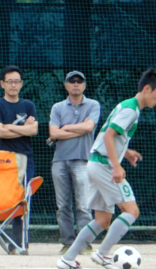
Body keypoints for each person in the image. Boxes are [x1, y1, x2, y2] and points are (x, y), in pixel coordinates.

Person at [56, 68, 156, 269]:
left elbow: (110, 135)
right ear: (146, 89)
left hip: (96, 163)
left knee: (102, 220)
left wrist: (125, 153)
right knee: (132, 211)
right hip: (103, 166)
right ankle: (104, 253)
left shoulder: (127, 105)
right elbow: (108, 136)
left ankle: (68, 259)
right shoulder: (131, 109)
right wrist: (117, 165)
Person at [0, 65, 38, 255]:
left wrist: (9, 127)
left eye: (16, 81)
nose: (13, 85)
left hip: (25, 160)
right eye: (9, 82)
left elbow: (33, 130)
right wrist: (21, 128)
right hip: (1, 161)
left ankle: (18, 245)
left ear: (21, 84)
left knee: (21, 200)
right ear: (2, 84)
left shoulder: (28, 105)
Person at [48, 71, 100, 255]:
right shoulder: (58, 107)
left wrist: (66, 127)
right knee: (62, 206)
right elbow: (54, 134)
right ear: (66, 85)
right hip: (60, 161)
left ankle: (84, 244)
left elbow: (89, 127)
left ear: (84, 85)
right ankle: (68, 243)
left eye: (79, 81)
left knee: (83, 205)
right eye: (72, 81)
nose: (76, 84)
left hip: (83, 160)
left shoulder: (93, 105)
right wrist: (78, 129)